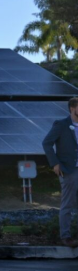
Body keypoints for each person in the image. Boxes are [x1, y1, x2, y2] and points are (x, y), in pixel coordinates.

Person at [42, 96, 78, 247]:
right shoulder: (62, 125)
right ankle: (66, 237)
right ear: (72, 108)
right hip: (69, 170)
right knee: (68, 204)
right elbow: (47, 143)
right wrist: (55, 163)